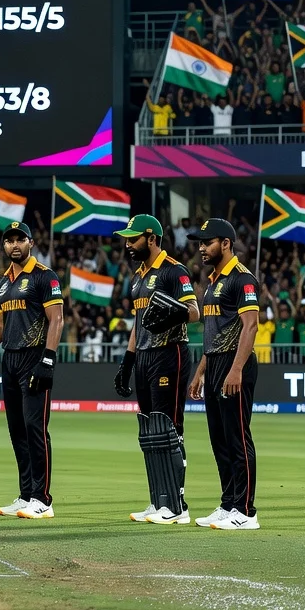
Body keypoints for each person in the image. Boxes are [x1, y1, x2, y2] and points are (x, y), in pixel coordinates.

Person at [0, 222, 63, 520]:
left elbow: (57, 320)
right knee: (17, 430)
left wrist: (48, 359)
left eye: (20, 240)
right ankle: (26, 494)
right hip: (10, 359)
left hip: (35, 357)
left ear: (31, 242)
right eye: (9, 241)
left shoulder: (44, 276)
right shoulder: (3, 282)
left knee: (35, 428)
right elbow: (1, 324)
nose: (14, 245)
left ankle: (43, 499)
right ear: (4, 246)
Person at [113, 214, 201, 525]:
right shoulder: (137, 277)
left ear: (151, 238)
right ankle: (159, 500)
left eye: (133, 238)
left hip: (169, 353)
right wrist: (127, 363)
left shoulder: (174, 270)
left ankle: (177, 505)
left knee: (169, 430)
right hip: (144, 357)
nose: (128, 244)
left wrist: (172, 315)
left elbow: (194, 312)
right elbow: (138, 324)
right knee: (151, 433)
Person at [188, 218, 261, 530]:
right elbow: (214, 334)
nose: (202, 248)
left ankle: (246, 511)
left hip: (235, 364)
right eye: (200, 243)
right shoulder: (213, 281)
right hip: (216, 364)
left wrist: (236, 369)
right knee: (219, 440)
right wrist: (200, 372)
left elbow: (251, 326)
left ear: (226, 243)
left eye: (208, 242)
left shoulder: (242, 279)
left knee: (237, 438)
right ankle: (229, 503)